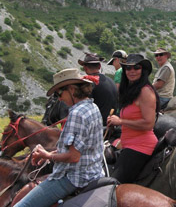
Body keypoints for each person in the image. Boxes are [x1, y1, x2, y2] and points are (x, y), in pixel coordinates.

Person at [14, 68, 104, 207]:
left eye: (59, 93)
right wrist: (50, 153)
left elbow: (74, 157)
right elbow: (83, 148)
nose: (59, 98)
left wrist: (48, 156)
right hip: (95, 172)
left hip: (74, 178)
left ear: (72, 90)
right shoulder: (93, 107)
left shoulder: (76, 114)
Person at [107, 54, 160, 183]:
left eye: (136, 67)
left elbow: (148, 123)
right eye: (128, 68)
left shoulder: (145, 92)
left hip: (140, 146)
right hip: (129, 143)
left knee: (114, 184)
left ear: (143, 70)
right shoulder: (133, 90)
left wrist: (120, 121)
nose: (132, 71)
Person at [78, 52, 118, 126]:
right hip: (112, 125)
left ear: (85, 68)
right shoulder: (111, 81)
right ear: (99, 66)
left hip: (97, 127)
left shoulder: (89, 83)